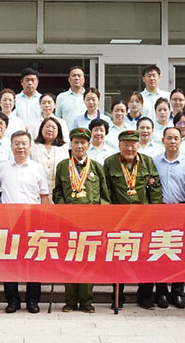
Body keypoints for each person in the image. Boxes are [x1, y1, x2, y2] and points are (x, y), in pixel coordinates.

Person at [53, 128, 110, 313]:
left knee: (88, 260)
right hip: (68, 222)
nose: (79, 146)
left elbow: (104, 195)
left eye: (83, 142)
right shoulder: (63, 166)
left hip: (91, 224)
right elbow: (57, 192)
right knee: (70, 259)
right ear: (71, 144)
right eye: (76, 142)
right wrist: (64, 210)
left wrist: (99, 216)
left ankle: (86, 301)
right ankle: (70, 301)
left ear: (88, 145)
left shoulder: (96, 167)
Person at [104, 129, 162, 310]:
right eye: (126, 145)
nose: (129, 149)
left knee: (145, 257)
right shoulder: (110, 162)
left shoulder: (147, 162)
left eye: (133, 145)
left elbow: (155, 189)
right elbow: (106, 190)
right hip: (119, 219)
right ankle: (117, 296)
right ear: (119, 145)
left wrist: (153, 213)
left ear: (138, 145)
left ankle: (145, 296)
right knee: (119, 257)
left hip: (143, 218)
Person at [0, 131, 50, 313]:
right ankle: (12, 300)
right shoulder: (3, 167)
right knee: (9, 262)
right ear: (11, 146)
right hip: (8, 222)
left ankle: (32, 301)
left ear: (30, 146)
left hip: (32, 221)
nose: (20, 147)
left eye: (24, 144)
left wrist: (43, 220)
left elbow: (44, 195)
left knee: (33, 262)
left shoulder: (37, 168)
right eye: (17, 144)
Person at [153, 126, 185, 310]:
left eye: (176, 138)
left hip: (181, 210)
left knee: (179, 252)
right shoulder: (155, 161)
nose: (172, 141)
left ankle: (178, 292)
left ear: (181, 141)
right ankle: (161, 292)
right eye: (169, 138)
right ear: (162, 140)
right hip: (160, 212)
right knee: (161, 251)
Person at [30, 116, 69, 190]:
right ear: (41, 129)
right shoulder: (32, 147)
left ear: (58, 131)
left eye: (54, 128)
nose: (50, 130)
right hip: (36, 188)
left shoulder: (63, 149)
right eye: (47, 127)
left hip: (57, 190)